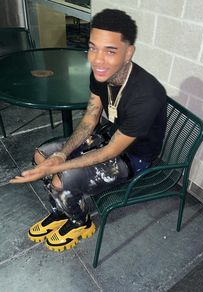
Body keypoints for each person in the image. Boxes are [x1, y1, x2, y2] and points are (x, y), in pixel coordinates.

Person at [10, 9, 167, 252]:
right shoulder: (101, 74)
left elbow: (110, 152)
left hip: (133, 157)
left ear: (128, 53)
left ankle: (79, 221)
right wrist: (60, 155)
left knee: (63, 177)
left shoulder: (146, 95)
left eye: (110, 51)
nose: (97, 59)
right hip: (108, 136)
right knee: (42, 155)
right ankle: (61, 210)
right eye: (93, 47)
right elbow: (90, 117)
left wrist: (58, 166)